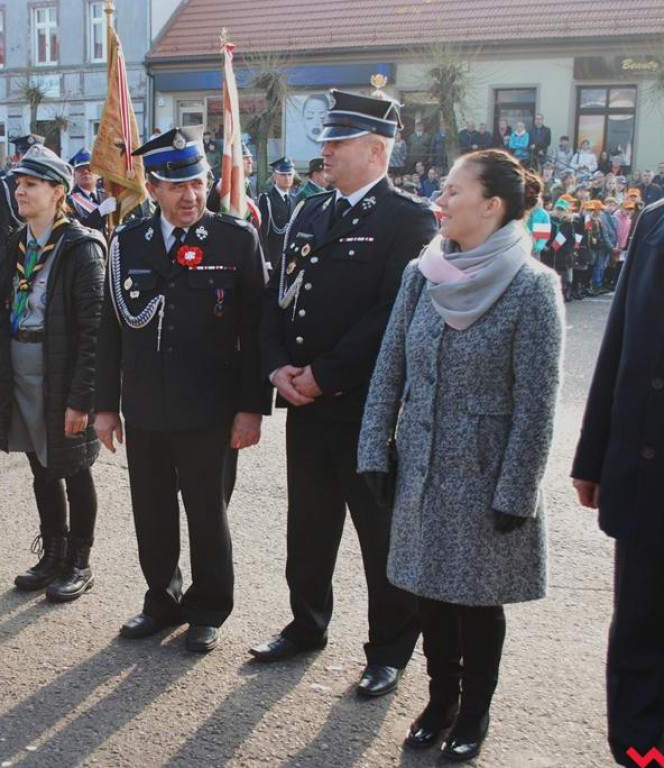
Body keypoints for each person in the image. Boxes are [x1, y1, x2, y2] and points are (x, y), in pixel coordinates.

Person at [359, 148, 563, 761]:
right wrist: (374, 449)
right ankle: (439, 699)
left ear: (492, 205)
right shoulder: (422, 275)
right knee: (428, 592)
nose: (439, 200)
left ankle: (474, 710)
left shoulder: (533, 287)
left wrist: (517, 491)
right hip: (420, 466)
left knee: (476, 600)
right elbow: (389, 368)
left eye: (452, 191)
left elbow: (537, 402)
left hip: (484, 472)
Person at [252, 91, 436, 701]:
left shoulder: (408, 219)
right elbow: (279, 295)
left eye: (338, 141)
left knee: (378, 534)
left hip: (364, 407)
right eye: (326, 140)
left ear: (376, 150)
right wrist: (276, 365)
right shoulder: (310, 211)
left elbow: (391, 314)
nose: (324, 151)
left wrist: (325, 374)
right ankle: (306, 624)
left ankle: (389, 649)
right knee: (308, 526)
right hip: (305, 403)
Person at [94, 125, 270, 653]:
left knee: (207, 513)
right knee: (151, 510)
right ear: (152, 188)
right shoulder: (128, 242)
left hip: (210, 409)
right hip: (146, 405)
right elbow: (110, 331)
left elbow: (256, 333)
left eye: (197, 182)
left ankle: (208, 607)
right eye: (176, 186)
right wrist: (105, 406)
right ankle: (161, 600)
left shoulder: (236, 240)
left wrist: (252, 409)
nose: (190, 195)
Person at [0, 145, 105, 602]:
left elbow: (94, 331)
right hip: (20, 369)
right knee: (41, 466)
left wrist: (82, 398)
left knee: (74, 467)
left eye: (31, 184)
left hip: (59, 374)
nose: (20, 191)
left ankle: (79, 560)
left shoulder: (80, 247)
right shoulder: (15, 243)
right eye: (19, 183)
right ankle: (53, 552)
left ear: (58, 192)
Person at [572, 197, 664, 766]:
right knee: (640, 625)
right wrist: (593, 456)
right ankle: (642, 752)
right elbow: (620, 342)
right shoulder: (656, 219)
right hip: (648, 467)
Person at [0, 134, 44, 251]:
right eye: (27, 156)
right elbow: (1, 233)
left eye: (37, 156)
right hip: (16, 251)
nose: (32, 161)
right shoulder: (3, 186)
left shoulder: (48, 185)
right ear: (17, 158)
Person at [66, 147, 117, 233]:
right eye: (80, 169)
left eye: (89, 168)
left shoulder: (106, 195)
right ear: (74, 176)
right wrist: (99, 212)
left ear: (98, 174)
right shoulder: (68, 201)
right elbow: (77, 229)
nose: (86, 171)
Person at [257, 156, 295, 270]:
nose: (287, 178)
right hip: (273, 257)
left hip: (287, 258)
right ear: (274, 176)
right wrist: (266, 259)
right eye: (283, 175)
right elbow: (262, 232)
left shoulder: (292, 200)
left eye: (289, 174)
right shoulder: (267, 199)